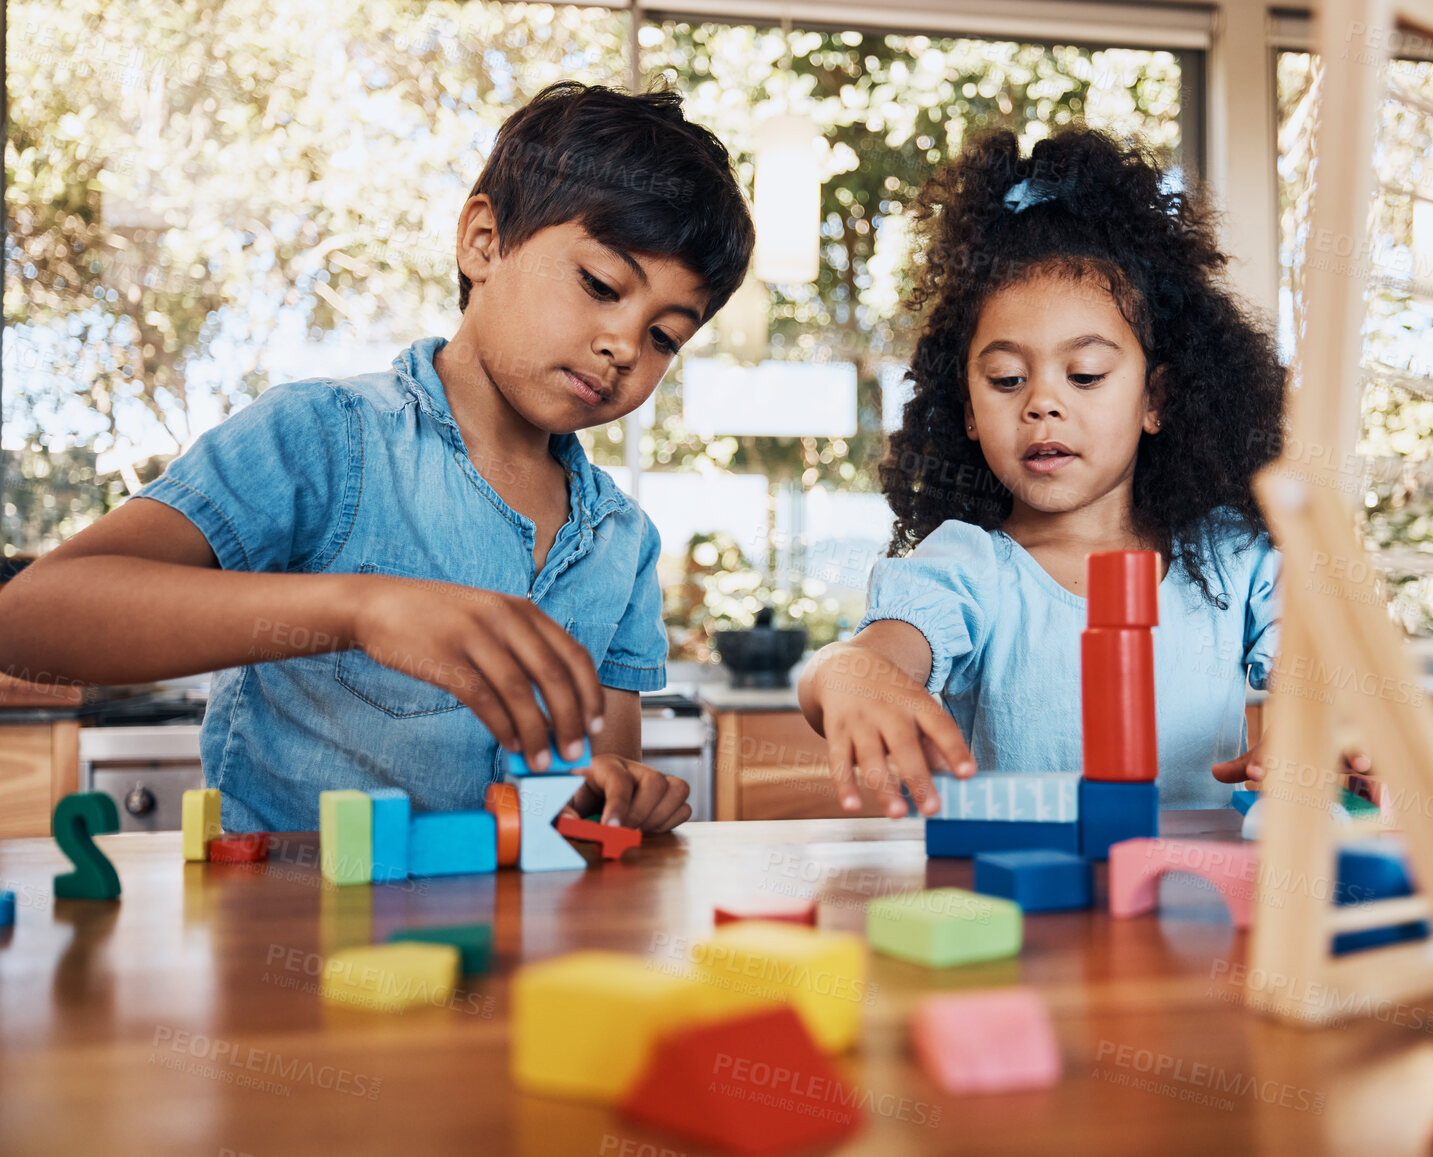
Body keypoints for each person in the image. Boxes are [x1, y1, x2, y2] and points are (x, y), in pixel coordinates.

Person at [0, 82, 753, 833]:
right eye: (600, 284)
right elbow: (28, 623)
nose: (625, 345)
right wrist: (359, 609)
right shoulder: (322, 438)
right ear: (483, 242)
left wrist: (622, 796)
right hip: (293, 943)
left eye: (665, 336)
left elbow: (601, 789)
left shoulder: (622, 543)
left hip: (517, 949)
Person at [798, 125, 1286, 817]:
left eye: (1085, 373)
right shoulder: (968, 566)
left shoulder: (1233, 559)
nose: (1043, 403)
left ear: (1156, 399)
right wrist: (848, 670)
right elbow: (872, 654)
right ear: (966, 408)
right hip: (1026, 914)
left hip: (1195, 910)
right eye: (1005, 378)